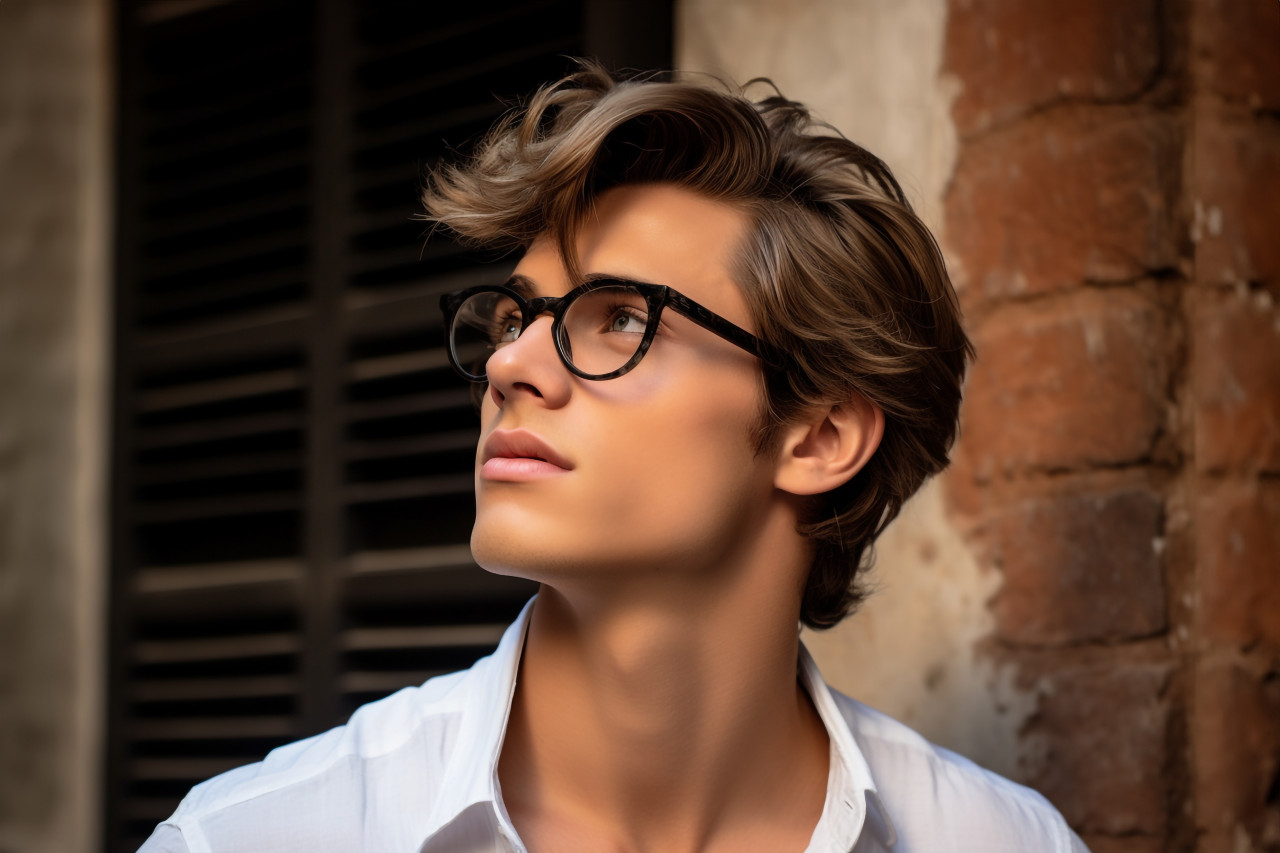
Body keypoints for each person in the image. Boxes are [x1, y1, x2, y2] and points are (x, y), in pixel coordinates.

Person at [140, 61, 1088, 853]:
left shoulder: (1004, 841)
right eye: (516, 317)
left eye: (621, 319)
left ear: (819, 435)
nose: (510, 363)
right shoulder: (254, 835)